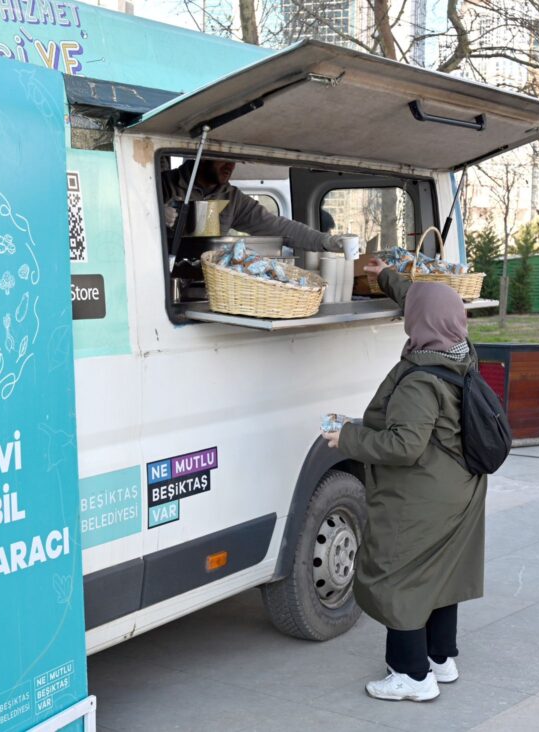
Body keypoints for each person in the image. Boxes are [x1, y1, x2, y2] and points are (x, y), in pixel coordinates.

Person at [323, 260, 486, 703]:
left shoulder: (420, 380)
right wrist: (385, 277)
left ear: (420, 323)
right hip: (461, 487)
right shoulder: (460, 350)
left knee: (400, 576)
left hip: (423, 495)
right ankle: (440, 658)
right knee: (440, 573)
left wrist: (348, 437)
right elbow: (426, 303)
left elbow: (404, 446)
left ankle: (412, 675)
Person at [161, 159, 346, 252]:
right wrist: (154, 214)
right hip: (162, 284)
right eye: (223, 157)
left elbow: (276, 226)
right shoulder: (160, 183)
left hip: (209, 285)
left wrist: (325, 241)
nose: (230, 166)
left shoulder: (233, 199)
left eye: (234, 160)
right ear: (202, 156)